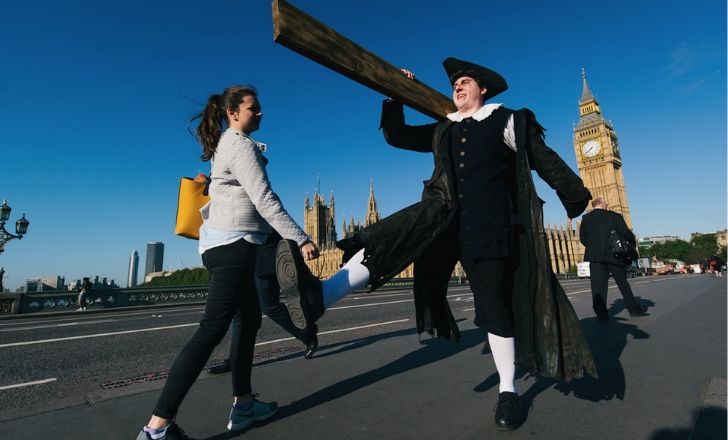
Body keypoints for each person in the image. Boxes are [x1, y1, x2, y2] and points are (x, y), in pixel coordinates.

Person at [276, 58, 597, 431]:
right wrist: (393, 95)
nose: (457, 87)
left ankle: (507, 391)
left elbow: (544, 159)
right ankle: (320, 296)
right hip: (441, 220)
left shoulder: (506, 120)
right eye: (454, 84)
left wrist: (575, 195)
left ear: (483, 89)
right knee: (386, 240)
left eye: (464, 82)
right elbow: (397, 136)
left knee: (494, 308)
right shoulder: (444, 127)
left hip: (490, 228)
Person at [137, 85, 319, 440]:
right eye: (254, 108)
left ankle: (245, 404)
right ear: (234, 113)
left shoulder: (227, 144)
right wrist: (301, 237)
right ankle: (157, 427)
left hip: (237, 245)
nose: (261, 113)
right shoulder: (239, 144)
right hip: (233, 247)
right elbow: (264, 198)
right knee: (211, 330)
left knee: (248, 322)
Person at [210, 232, 319, 376]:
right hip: (240, 257)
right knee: (241, 313)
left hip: (264, 254)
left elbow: (275, 214)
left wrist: (302, 241)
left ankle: (307, 334)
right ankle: (235, 360)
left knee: (269, 305)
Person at [579, 197, 647, 320]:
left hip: (595, 258)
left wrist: (594, 247)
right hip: (615, 255)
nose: (608, 204)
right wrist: (631, 244)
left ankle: (601, 314)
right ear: (602, 204)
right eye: (606, 203)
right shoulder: (614, 216)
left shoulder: (586, 219)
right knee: (623, 284)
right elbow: (626, 233)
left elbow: (583, 239)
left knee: (597, 287)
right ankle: (633, 309)